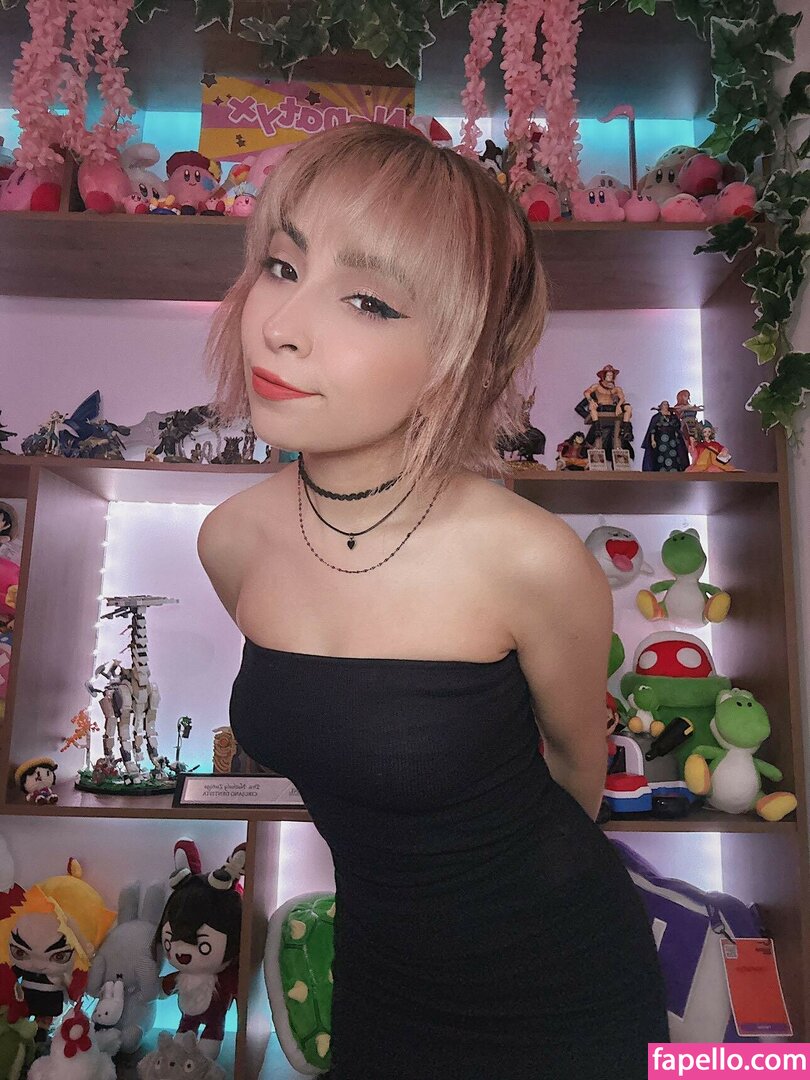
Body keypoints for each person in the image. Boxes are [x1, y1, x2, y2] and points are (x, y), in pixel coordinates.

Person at [197, 121, 669, 1079]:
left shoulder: (531, 559)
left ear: (463, 356)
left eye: (368, 300)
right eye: (282, 267)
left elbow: (577, 777)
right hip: (377, 971)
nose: (279, 325)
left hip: (556, 985)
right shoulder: (232, 541)